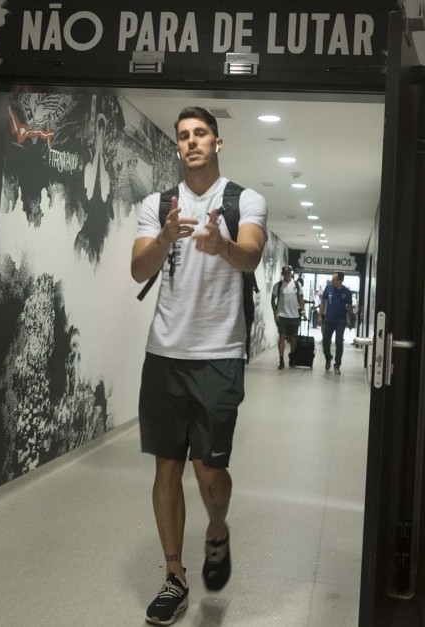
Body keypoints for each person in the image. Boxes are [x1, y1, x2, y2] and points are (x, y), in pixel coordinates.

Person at [131, 106, 267, 626]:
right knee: (166, 465)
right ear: (178, 146)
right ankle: (173, 575)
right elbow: (138, 268)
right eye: (184, 136)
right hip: (164, 352)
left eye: (201, 134)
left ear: (218, 142)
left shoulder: (244, 199)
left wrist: (221, 244)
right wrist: (166, 237)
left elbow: (251, 256)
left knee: (210, 470)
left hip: (219, 354)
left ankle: (216, 529)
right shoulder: (158, 204)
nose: (192, 142)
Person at [319, 272, 355, 375]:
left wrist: (351, 320)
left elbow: (349, 307)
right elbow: (323, 302)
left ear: (340, 280)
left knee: (339, 342)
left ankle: (337, 365)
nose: (332, 281)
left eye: (334, 279)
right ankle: (328, 357)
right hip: (329, 320)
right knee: (326, 342)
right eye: (332, 279)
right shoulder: (328, 289)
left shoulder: (347, 292)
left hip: (341, 321)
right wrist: (319, 316)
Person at [271, 265, 304, 369]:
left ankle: (292, 355)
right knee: (282, 337)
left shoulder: (297, 285)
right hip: (282, 315)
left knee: (293, 338)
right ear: (283, 274)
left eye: (289, 273)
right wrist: (275, 313)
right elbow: (273, 300)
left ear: (292, 273)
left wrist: (302, 311)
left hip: (294, 315)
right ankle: (281, 360)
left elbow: (301, 299)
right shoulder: (278, 285)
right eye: (285, 273)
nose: (287, 275)